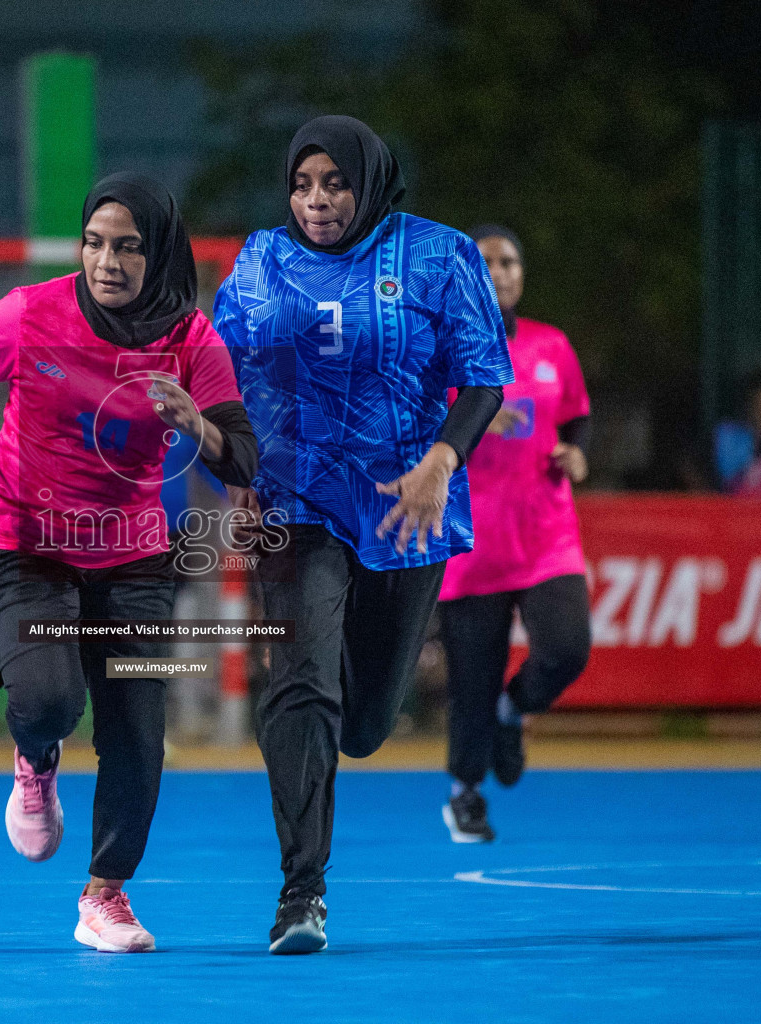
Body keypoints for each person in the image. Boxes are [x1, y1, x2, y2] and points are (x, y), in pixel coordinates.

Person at [0, 173, 257, 953]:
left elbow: (241, 458)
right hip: (22, 546)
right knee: (49, 701)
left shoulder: (194, 342)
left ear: (160, 253)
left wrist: (196, 425)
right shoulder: (32, 313)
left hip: (132, 560)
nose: (107, 261)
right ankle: (35, 759)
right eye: (95, 242)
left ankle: (105, 896)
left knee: (138, 728)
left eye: (129, 247)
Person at [214, 116, 511, 954]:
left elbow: (486, 376)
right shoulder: (262, 259)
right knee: (302, 684)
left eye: (335, 183)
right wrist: (225, 459)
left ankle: (329, 705)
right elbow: (221, 369)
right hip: (294, 500)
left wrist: (443, 461)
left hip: (404, 507)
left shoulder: (441, 254)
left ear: (369, 181)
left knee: (366, 725)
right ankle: (300, 894)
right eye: (303, 184)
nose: (317, 201)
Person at [435, 225, 593, 843]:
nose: (499, 271)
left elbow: (577, 417)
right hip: (469, 545)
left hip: (547, 537)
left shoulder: (553, 345)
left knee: (566, 649)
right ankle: (464, 793)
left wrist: (576, 454)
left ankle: (515, 709)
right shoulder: (439, 350)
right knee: (470, 683)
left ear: (522, 275)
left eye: (509, 262)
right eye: (485, 262)